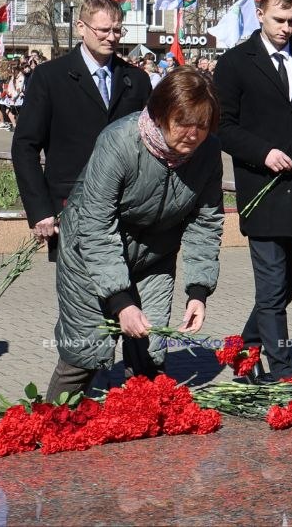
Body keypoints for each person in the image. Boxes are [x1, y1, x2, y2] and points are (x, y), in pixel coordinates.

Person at [43, 67, 224, 401]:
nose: (193, 134)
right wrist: (121, 302)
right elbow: (96, 225)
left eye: (202, 125)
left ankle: (138, 435)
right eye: (183, 123)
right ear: (159, 114)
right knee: (86, 352)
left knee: (150, 354)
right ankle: (50, 426)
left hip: (154, 256)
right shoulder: (119, 143)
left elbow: (205, 222)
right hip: (89, 255)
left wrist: (199, 291)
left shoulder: (208, 153)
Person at [214, 0, 292, 381]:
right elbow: (222, 127)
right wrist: (262, 153)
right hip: (262, 192)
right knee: (271, 288)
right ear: (261, 15)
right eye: (279, 20)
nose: (286, 27)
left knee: (286, 284)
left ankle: (243, 355)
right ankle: (284, 373)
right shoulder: (235, 63)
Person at [12, 0, 153, 264]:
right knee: (79, 303)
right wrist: (40, 209)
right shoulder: (49, 77)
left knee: (128, 301)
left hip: (128, 212)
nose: (111, 37)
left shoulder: (136, 79)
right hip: (71, 209)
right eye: (103, 30)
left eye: (117, 30)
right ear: (81, 27)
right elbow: (24, 146)